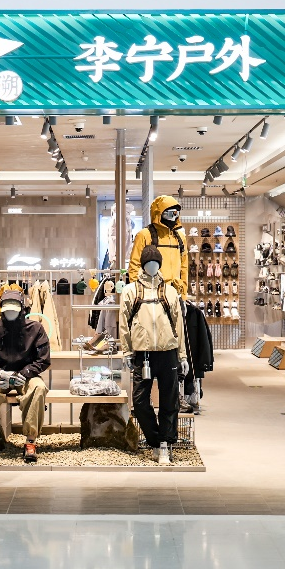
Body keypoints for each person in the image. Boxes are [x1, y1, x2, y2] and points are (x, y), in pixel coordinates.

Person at [119, 245, 188, 465]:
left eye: (155, 263)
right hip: (143, 354)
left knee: (170, 401)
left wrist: (183, 356)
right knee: (139, 401)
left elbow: (179, 325)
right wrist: (127, 351)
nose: (152, 266)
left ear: (160, 265)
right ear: (142, 265)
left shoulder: (170, 291)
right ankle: (155, 441)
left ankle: (165, 444)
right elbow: (123, 324)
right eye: (148, 263)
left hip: (168, 353)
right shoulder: (130, 291)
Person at [0, 289, 50, 463]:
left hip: (26, 376)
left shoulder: (35, 328)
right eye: (7, 310)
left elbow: (43, 359)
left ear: (22, 309)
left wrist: (25, 373)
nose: (10, 314)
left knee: (38, 387)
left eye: (14, 310)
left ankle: (31, 441)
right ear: (1, 309)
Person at [128, 195, 188, 296]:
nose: (174, 218)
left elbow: (184, 267)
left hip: (175, 294)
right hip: (151, 294)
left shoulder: (180, 237)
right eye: (170, 214)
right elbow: (135, 265)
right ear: (159, 214)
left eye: (176, 214)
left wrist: (184, 294)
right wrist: (137, 294)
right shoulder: (145, 235)